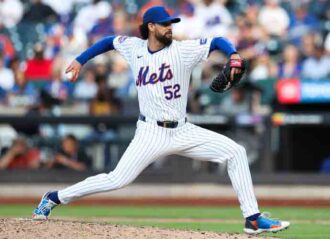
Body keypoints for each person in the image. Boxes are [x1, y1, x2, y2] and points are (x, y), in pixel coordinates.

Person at [32, 5, 290, 235]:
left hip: (182, 130)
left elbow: (217, 40)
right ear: (151, 27)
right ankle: (54, 197)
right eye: (166, 24)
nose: (170, 27)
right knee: (117, 179)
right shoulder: (134, 47)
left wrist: (233, 54)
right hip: (149, 133)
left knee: (236, 152)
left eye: (171, 23)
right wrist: (80, 59)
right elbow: (109, 41)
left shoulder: (183, 50)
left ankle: (252, 219)